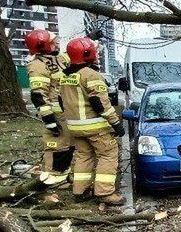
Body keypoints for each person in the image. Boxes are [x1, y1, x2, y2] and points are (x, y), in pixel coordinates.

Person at [60, 37, 126, 207]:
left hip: (75, 126)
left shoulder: (66, 76)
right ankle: (105, 192)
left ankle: (80, 190)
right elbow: (101, 103)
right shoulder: (91, 75)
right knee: (108, 154)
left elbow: (61, 101)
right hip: (95, 126)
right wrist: (116, 123)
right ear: (88, 54)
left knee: (84, 156)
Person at [25, 29, 73, 184]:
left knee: (68, 146)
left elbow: (71, 54)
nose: (57, 43)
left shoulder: (58, 58)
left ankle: (65, 176)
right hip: (55, 115)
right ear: (43, 45)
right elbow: (38, 95)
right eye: (53, 41)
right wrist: (49, 119)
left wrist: (90, 38)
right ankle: (53, 180)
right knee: (57, 147)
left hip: (66, 113)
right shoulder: (38, 65)